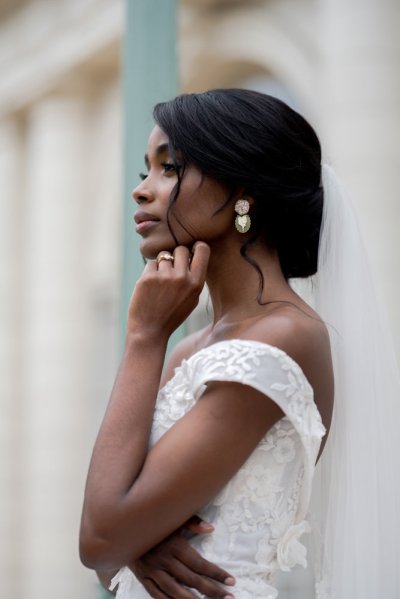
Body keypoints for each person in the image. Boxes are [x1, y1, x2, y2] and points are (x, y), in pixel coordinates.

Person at [79, 89, 400, 599]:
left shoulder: (285, 337)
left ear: (242, 191)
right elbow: (106, 551)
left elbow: (99, 539)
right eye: (146, 171)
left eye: (170, 168)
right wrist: (136, 542)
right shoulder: (193, 349)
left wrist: (144, 338)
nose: (142, 190)